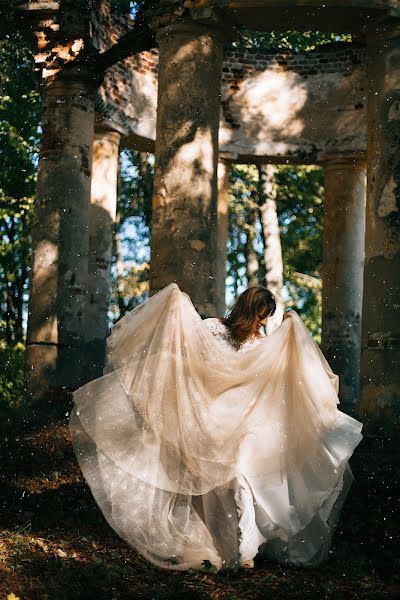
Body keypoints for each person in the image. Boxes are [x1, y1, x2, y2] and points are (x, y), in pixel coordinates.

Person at [69, 282, 363, 572]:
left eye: (267, 317)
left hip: (247, 422)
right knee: (214, 484)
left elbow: (277, 377)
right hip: (212, 417)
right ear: (249, 310)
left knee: (242, 477)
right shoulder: (213, 329)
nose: (263, 323)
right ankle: (226, 542)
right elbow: (189, 352)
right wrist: (176, 309)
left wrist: (290, 336)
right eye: (261, 315)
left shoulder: (262, 344)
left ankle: (246, 549)